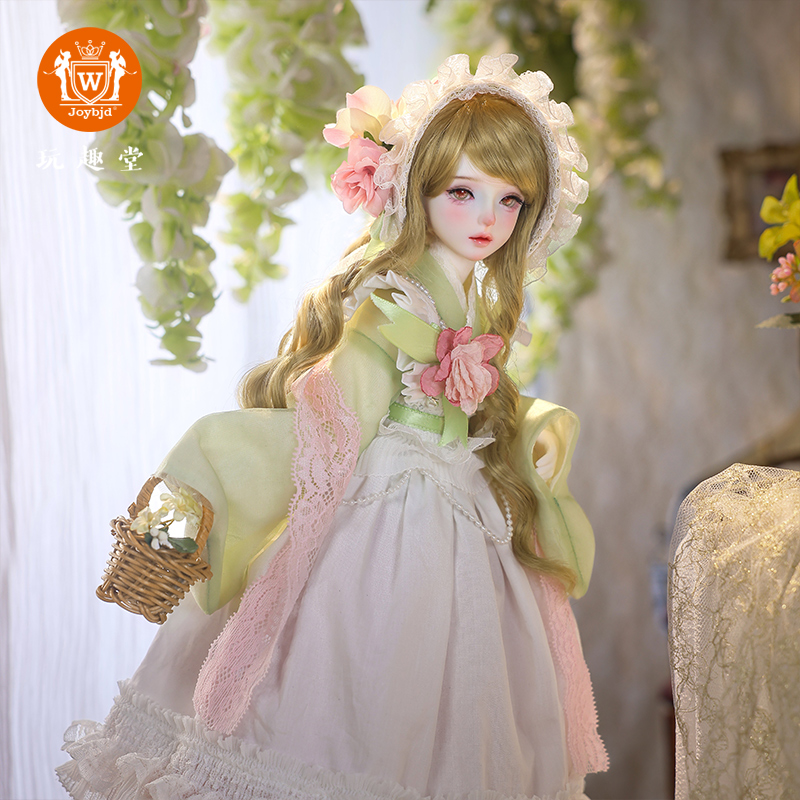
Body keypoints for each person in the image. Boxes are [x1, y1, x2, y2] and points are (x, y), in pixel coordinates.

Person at [57, 53, 607, 800]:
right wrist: (222, 455)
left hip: (460, 512)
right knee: (354, 681)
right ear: (418, 189)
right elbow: (338, 417)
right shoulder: (395, 302)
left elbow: (461, 406)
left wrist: (519, 423)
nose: (488, 218)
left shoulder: (469, 304)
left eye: (511, 201)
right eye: (464, 192)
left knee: (460, 697)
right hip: (390, 517)